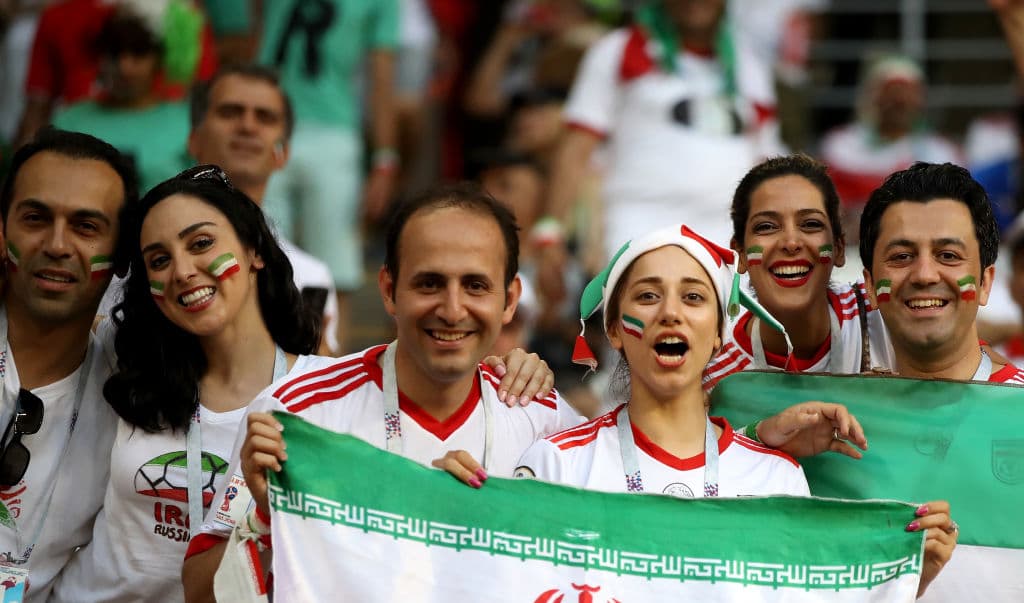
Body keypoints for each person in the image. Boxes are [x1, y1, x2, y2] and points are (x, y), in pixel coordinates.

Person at [181, 182, 582, 602]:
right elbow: (198, 592)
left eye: (476, 286)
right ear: (389, 290)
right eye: (429, 283)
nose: (452, 309)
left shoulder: (546, 420)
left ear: (509, 299)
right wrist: (267, 518)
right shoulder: (295, 413)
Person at [516, 222, 957, 599]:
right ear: (614, 329)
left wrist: (903, 579)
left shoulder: (775, 478)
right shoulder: (557, 464)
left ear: (717, 334)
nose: (671, 313)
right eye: (648, 296)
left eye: (693, 298)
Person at [48, 165, 321, 603]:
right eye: (159, 260)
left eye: (201, 244)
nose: (182, 271)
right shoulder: (123, 360)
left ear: (255, 250)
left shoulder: (323, 394)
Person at [536, 0, 781, 308]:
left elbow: (767, 162)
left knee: (731, 349)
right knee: (637, 341)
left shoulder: (748, 64)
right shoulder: (618, 50)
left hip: (727, 233)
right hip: (638, 224)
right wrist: (549, 232)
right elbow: (575, 149)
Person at [858, 162, 1024, 601]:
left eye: (949, 255)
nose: (926, 274)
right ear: (871, 285)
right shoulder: (826, 431)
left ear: (986, 281)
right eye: (901, 256)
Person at [0, 128, 135, 601]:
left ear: (121, 257)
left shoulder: (136, 398)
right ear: (2, 232)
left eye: (86, 226)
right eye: (35, 218)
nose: (57, 245)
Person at [257, 0, 400, 353]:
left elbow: (382, 77)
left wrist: (384, 158)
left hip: (319, 127)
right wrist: (384, 158)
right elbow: (381, 78)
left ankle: (333, 376)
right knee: (262, 259)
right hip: (278, 123)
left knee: (333, 270)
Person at [185, 63, 340, 354]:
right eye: (230, 112)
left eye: (265, 117)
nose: (247, 126)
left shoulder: (312, 276)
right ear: (194, 139)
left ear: (283, 154)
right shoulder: (150, 254)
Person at [703, 154, 895, 389]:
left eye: (810, 224)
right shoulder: (716, 386)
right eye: (767, 226)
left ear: (839, 247)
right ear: (740, 254)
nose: (791, 242)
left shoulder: (887, 317)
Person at [819, 54, 961, 248]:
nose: (899, 100)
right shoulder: (841, 143)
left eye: (908, 93)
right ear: (873, 96)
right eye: (892, 92)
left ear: (921, 101)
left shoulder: (941, 151)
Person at [51, 9, 192, 192]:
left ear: (159, 59)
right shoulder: (69, 121)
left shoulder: (186, 122)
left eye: (138, 53)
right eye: (114, 53)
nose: (124, 67)